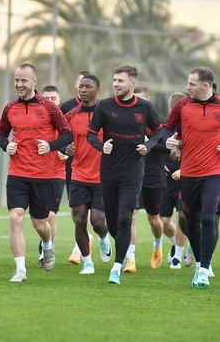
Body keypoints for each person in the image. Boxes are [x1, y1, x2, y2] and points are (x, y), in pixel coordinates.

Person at [149, 67, 220, 288]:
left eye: (191, 84)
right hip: (189, 173)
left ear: (205, 85)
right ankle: (200, 261)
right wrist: (168, 141)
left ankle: (203, 269)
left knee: (208, 217)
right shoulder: (181, 105)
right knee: (189, 221)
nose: (187, 87)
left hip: (214, 173)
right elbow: (166, 129)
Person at [87, 65, 162, 285]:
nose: (116, 84)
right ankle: (120, 250)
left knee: (125, 217)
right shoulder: (105, 106)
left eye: (120, 80)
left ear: (132, 83)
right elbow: (90, 134)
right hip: (109, 171)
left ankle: (117, 267)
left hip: (133, 172)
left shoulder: (145, 108)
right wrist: (101, 146)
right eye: (114, 80)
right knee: (112, 222)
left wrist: (149, 145)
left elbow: (160, 131)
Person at [0, 63, 71, 282]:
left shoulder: (49, 107)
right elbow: (1, 134)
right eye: (17, 80)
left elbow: (67, 134)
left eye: (24, 80)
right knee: (15, 217)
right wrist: (6, 146)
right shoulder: (10, 108)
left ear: (34, 81)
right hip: (17, 172)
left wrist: (50, 146)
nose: (19, 84)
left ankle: (47, 244)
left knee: (40, 223)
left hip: (44, 175)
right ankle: (20, 270)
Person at [63, 74, 112, 274]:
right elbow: (61, 138)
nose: (83, 90)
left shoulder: (107, 113)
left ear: (97, 89)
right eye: (81, 86)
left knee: (98, 221)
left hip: (102, 176)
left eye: (88, 86)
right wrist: (65, 148)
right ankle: (88, 263)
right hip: (78, 175)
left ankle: (103, 237)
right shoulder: (70, 115)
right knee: (80, 219)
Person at [124, 86, 166, 273]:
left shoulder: (159, 123)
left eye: (141, 99)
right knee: (131, 215)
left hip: (154, 175)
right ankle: (130, 259)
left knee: (154, 218)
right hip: (132, 175)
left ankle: (157, 244)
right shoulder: (127, 122)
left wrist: (149, 143)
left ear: (148, 100)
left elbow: (166, 147)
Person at [37, 85, 67, 268]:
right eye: (46, 98)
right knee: (39, 218)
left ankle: (46, 251)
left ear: (59, 100)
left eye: (53, 98)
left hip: (56, 172)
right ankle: (45, 241)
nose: (50, 101)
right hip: (36, 172)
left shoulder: (65, 119)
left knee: (51, 215)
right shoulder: (36, 119)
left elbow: (74, 140)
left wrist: (67, 152)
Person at [159, 92, 189, 269]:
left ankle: (177, 256)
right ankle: (174, 243)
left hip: (186, 178)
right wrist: (160, 165)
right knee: (162, 220)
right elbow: (156, 147)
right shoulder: (164, 128)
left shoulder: (191, 127)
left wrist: (183, 170)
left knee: (182, 216)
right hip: (166, 180)